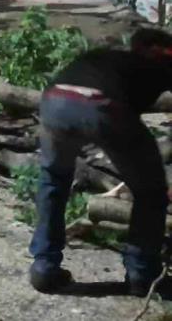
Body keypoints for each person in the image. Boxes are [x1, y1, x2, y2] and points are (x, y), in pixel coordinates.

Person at [29, 28, 172, 296]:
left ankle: (44, 268)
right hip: (101, 106)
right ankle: (143, 275)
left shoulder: (107, 57)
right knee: (150, 191)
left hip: (54, 99)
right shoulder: (159, 64)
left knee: (54, 179)